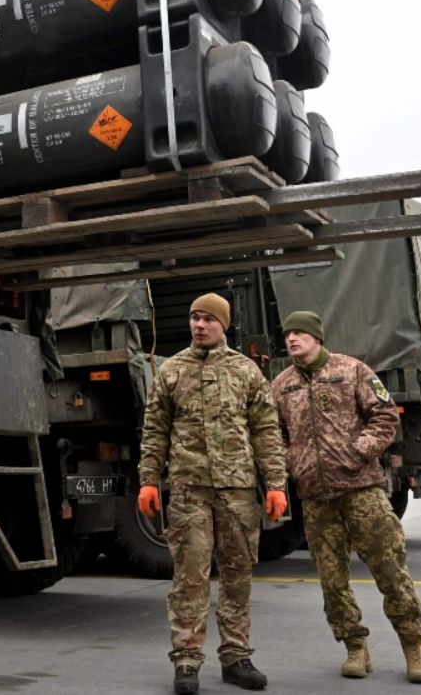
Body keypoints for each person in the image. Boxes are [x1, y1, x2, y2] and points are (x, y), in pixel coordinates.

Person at [269, 310, 421, 683]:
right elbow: (271, 434)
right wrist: (291, 462)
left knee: (389, 569)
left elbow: (386, 416)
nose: (292, 339)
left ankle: (413, 645)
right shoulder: (281, 385)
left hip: (362, 491)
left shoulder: (352, 370)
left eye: (300, 333)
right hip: (315, 497)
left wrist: (359, 450)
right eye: (288, 334)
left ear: (317, 337)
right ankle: (355, 647)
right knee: (332, 580)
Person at [138, 293, 288, 693]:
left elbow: (266, 432)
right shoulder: (171, 371)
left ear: (223, 325)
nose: (199, 325)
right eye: (194, 318)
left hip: (238, 491)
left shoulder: (246, 372)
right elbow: (154, 431)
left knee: (238, 575)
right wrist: (148, 479)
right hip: (189, 490)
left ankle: (236, 657)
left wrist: (275, 485)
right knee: (189, 577)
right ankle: (186, 661)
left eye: (207, 319)